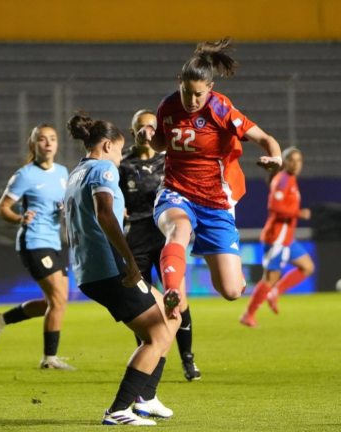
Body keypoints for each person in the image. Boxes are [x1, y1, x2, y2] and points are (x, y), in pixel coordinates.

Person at [136, 37, 282, 317]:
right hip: (176, 190)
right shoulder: (167, 107)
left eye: (199, 94)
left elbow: (265, 138)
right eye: (187, 91)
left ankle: (219, 279)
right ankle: (172, 292)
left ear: (210, 89)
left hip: (215, 201)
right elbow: (163, 145)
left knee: (231, 291)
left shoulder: (221, 109)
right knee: (178, 229)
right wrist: (149, 137)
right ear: (180, 81)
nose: (192, 100)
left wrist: (275, 158)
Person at [65, 111, 180, 425]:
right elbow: (104, 215)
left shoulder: (76, 173)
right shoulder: (103, 168)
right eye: (117, 150)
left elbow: (92, 214)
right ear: (105, 146)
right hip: (108, 267)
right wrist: (130, 261)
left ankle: (148, 399)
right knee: (157, 335)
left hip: (90, 268)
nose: (119, 158)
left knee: (172, 314)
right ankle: (119, 409)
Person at [120, 110, 201, 381]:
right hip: (136, 240)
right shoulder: (121, 165)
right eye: (140, 127)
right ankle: (149, 360)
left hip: (166, 235)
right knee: (141, 303)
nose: (147, 132)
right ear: (132, 132)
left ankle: (187, 360)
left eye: (152, 127)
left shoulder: (169, 161)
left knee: (178, 295)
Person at [0, 125, 73, 370]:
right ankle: (49, 359)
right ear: (33, 144)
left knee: (54, 303)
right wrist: (18, 218)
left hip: (54, 242)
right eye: (42, 139)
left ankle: (0, 319)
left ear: (57, 145)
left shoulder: (63, 172)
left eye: (52, 139)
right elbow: (2, 208)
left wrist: (65, 209)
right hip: (33, 242)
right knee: (57, 301)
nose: (48, 144)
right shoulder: (24, 175)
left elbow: (62, 203)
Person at [240, 147, 314, 327]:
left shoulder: (291, 180)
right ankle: (248, 314)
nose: (296, 164)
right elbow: (275, 207)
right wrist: (298, 213)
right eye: (292, 160)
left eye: (299, 160)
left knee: (307, 267)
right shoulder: (282, 180)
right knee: (270, 278)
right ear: (284, 162)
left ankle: (275, 293)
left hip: (287, 238)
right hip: (276, 238)